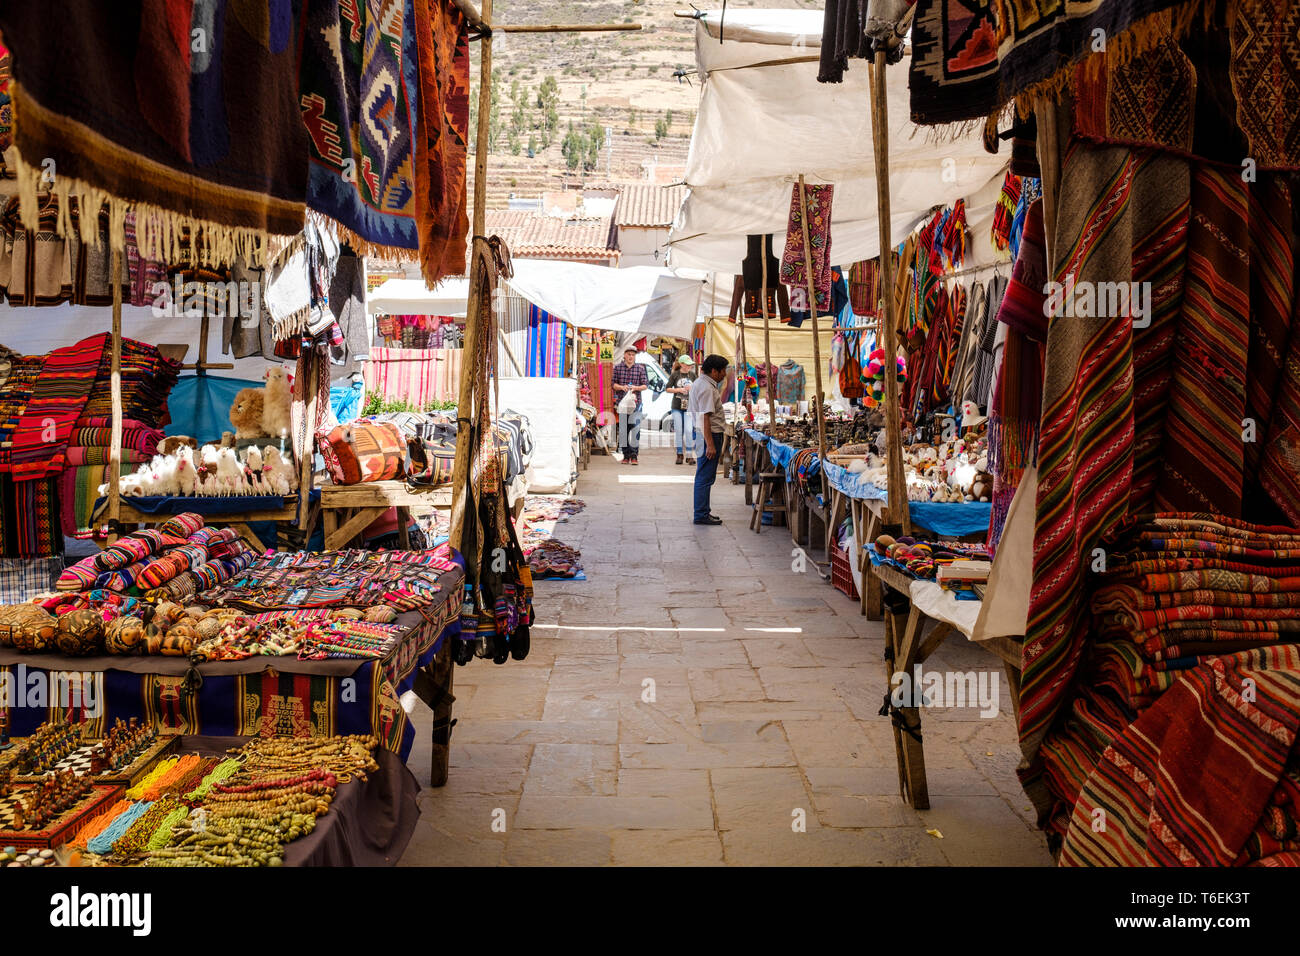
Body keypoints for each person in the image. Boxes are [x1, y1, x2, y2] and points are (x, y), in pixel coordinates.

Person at [687, 353, 730, 525]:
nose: (724, 375)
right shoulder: (705, 387)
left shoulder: (702, 383)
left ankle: (703, 511)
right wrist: (710, 445)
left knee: (704, 476)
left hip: (704, 435)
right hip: (708, 435)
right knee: (704, 477)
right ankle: (701, 514)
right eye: (723, 371)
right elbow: (705, 417)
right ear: (714, 371)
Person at [610, 345, 648, 465]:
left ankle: (634, 455)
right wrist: (622, 387)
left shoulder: (640, 368)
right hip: (621, 403)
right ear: (624, 355)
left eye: (633, 355)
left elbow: (645, 385)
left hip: (636, 404)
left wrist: (635, 388)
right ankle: (626, 455)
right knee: (623, 430)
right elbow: (613, 384)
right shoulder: (617, 368)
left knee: (635, 429)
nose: (631, 356)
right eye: (629, 354)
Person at [667, 355, 698, 466]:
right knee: (679, 431)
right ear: (681, 364)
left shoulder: (693, 375)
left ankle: (689, 455)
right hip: (676, 406)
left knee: (689, 431)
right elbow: (667, 388)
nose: (689, 366)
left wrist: (692, 389)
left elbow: (698, 389)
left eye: (690, 364)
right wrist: (678, 389)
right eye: (687, 364)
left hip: (689, 407)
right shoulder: (675, 375)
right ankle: (679, 454)